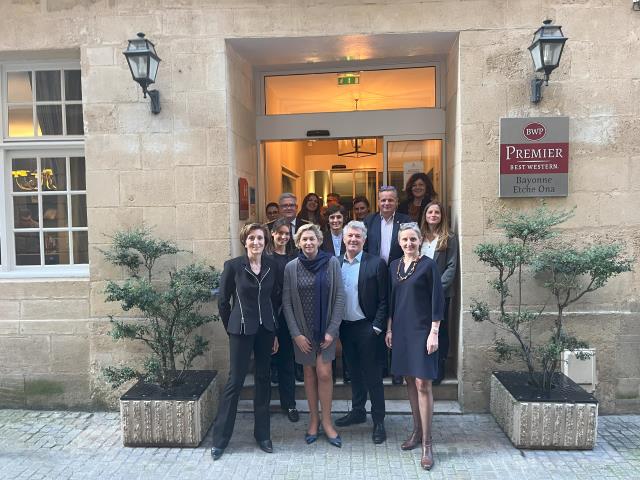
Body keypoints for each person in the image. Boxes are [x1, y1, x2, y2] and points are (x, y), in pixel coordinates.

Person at [211, 223, 280, 461]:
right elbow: (223, 301)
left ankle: (263, 435)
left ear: (266, 241)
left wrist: (275, 331)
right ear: (245, 240)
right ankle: (220, 439)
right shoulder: (233, 266)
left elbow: (276, 298)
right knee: (235, 382)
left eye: (260, 238)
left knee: (263, 380)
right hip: (240, 330)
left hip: (266, 331)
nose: (256, 242)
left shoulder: (272, 265)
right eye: (252, 238)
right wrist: (231, 328)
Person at [386, 222, 445, 471]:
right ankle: (416, 431)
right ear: (399, 242)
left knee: (423, 383)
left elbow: (437, 301)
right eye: (405, 240)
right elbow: (391, 300)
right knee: (410, 380)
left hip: (423, 330)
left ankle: (427, 444)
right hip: (401, 330)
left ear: (420, 240)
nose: (409, 244)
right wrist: (389, 328)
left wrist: (434, 333)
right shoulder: (394, 267)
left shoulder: (428, 266)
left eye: (413, 239)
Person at [282, 223, 345, 448]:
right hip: (303, 332)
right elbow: (287, 303)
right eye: (304, 239)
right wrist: (296, 334)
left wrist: (332, 331)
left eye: (312, 239)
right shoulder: (291, 267)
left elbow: (339, 297)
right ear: (298, 243)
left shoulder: (332, 263)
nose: (308, 243)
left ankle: (327, 422)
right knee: (309, 374)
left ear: (319, 241)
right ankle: (313, 420)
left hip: (326, 330)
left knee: (324, 373)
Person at [335, 221, 388, 444]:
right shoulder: (335, 263)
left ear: (364, 240)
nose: (354, 240)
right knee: (354, 374)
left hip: (367, 328)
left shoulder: (376, 264)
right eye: (350, 236)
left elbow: (385, 300)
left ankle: (379, 421)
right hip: (346, 328)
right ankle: (358, 411)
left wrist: (376, 327)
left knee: (373, 376)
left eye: (358, 236)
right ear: (344, 240)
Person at [363, 185, 411, 385]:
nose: (386, 203)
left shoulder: (406, 221)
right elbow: (364, 248)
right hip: (375, 276)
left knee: (399, 321)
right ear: (378, 202)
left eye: (390, 200)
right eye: (383, 200)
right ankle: (382, 365)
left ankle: (398, 369)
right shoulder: (369, 221)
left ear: (396, 202)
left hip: (398, 275)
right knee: (380, 318)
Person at [266, 218, 300, 422]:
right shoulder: (265, 257)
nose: (283, 237)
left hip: (289, 315)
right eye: (280, 233)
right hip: (269, 314)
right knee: (267, 362)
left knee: (286, 361)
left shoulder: (294, 257)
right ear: (272, 233)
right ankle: (264, 405)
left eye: (287, 234)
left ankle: (290, 404)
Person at [420, 202, 458, 385]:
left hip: (440, 292)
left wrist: (436, 288)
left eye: (437, 212)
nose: (433, 215)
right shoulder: (418, 236)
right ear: (425, 215)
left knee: (440, 330)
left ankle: (439, 367)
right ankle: (424, 365)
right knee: (423, 330)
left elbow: (451, 267)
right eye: (430, 211)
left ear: (442, 216)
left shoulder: (449, 237)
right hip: (419, 292)